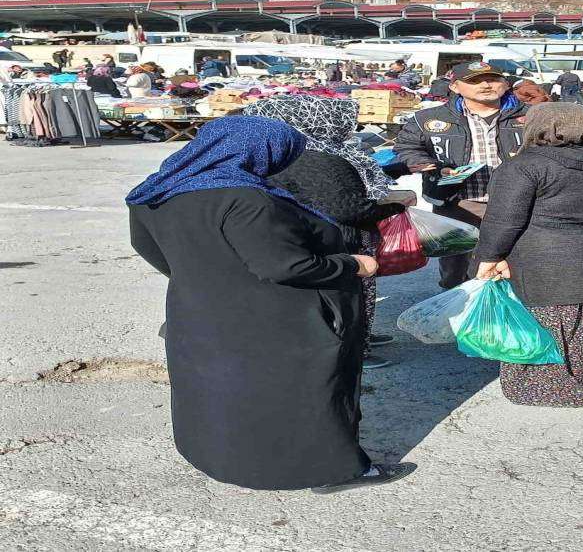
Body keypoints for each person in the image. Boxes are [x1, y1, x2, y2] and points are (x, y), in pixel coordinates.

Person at [126, 116, 415, 492]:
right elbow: (285, 266)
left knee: (221, 393)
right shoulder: (247, 200)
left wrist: (203, 279)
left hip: (201, 314)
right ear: (259, 152)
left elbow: (148, 247)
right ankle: (334, 472)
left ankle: (221, 460)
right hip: (280, 320)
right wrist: (354, 264)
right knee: (305, 395)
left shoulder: (158, 192)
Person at [475, 103, 583, 407]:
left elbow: (504, 220)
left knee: (555, 325)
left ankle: (556, 388)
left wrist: (489, 257)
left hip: (549, 265)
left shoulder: (522, 166)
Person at [242, 95, 408, 371]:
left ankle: (360, 338)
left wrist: (397, 171)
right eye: (341, 120)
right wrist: (394, 206)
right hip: (336, 240)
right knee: (345, 297)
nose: (349, 126)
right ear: (317, 121)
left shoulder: (280, 151)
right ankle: (355, 351)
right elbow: (347, 209)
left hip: (306, 236)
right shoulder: (316, 158)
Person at [394, 61, 528, 289]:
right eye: (474, 81)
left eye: (492, 79)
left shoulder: (532, 116)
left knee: (513, 265)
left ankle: (506, 307)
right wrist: (431, 165)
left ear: (506, 84)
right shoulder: (428, 118)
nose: (485, 85)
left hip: (517, 203)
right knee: (455, 270)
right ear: (455, 86)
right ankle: (459, 307)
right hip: (456, 203)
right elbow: (406, 147)